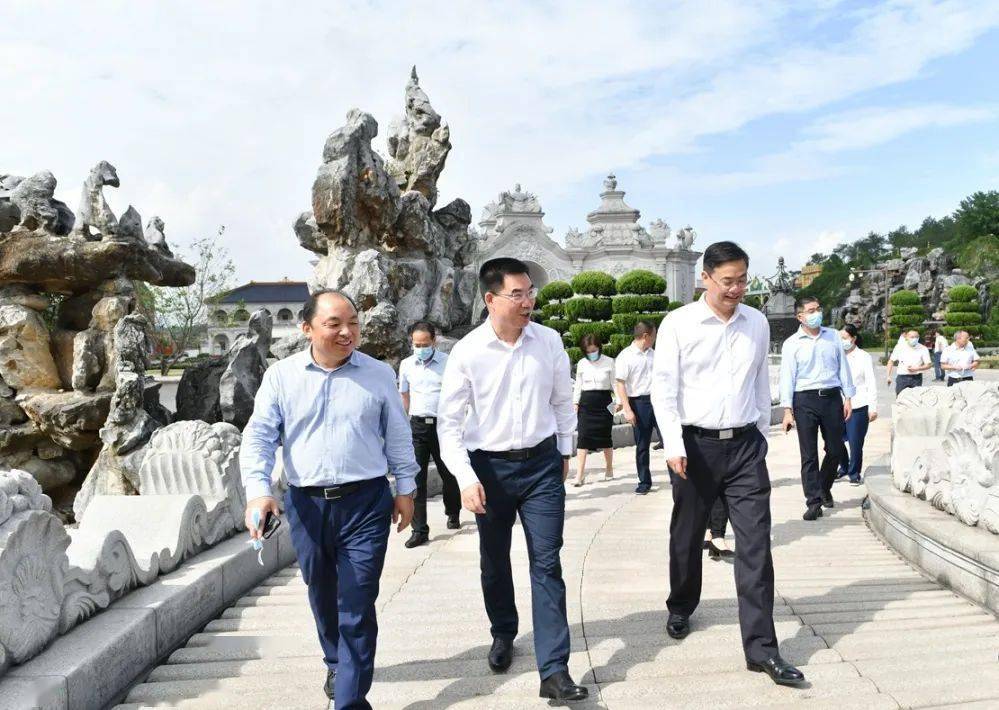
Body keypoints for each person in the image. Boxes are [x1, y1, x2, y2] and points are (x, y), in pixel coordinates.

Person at [240, 290, 417, 708]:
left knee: (356, 599)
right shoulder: (281, 377)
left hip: (366, 503)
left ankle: (349, 700)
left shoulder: (377, 374)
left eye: (353, 322)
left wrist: (406, 489)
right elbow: (260, 436)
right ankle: (337, 661)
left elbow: (397, 435)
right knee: (321, 591)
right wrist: (259, 492)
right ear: (307, 329)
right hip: (307, 505)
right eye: (334, 323)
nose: (346, 332)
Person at [651, 241, 804, 687]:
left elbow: (761, 379)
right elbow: (664, 389)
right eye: (728, 281)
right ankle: (681, 605)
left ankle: (762, 649)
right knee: (686, 534)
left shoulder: (755, 322)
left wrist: (760, 430)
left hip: (743, 449)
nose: (737, 289)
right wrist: (673, 445)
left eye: (743, 280)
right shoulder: (678, 324)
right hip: (694, 448)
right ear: (706, 278)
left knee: (756, 545)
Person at [437, 257, 588, 703]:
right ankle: (503, 631)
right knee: (495, 559)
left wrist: (563, 451)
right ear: (490, 299)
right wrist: (464, 477)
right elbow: (449, 425)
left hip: (541, 465)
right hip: (490, 469)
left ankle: (555, 670)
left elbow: (564, 401)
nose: (528, 302)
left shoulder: (549, 341)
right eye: (517, 294)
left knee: (547, 562)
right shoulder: (467, 352)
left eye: (530, 293)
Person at [779, 296, 855, 521]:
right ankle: (813, 502)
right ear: (800, 316)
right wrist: (787, 410)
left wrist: (848, 397)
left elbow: (843, 367)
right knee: (808, 454)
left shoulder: (832, 336)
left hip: (831, 398)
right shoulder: (791, 343)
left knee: (835, 449)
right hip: (805, 400)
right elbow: (787, 377)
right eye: (811, 310)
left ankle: (824, 486)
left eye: (818, 309)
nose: (816, 313)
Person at [398, 320, 461, 548]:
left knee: (449, 473)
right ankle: (419, 529)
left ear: (434, 341)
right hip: (417, 427)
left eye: (425, 343)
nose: (421, 348)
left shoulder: (448, 363)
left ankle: (453, 510)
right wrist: (404, 421)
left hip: (443, 425)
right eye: (417, 344)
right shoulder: (406, 365)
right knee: (417, 479)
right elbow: (404, 394)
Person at [614, 321, 659, 494]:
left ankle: (676, 478)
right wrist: (628, 409)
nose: (655, 339)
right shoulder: (626, 356)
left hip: (658, 400)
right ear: (646, 336)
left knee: (668, 439)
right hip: (639, 403)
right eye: (653, 335)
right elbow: (620, 384)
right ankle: (644, 481)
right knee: (642, 444)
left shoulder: (654, 354)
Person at [572, 333, 615, 487]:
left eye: (594, 350)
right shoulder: (582, 364)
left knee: (605, 437)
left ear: (599, 348)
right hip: (586, 403)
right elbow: (578, 384)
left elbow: (615, 385)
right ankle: (579, 475)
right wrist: (575, 402)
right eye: (588, 351)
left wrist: (619, 402)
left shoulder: (609, 362)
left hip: (604, 402)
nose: (592, 353)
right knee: (583, 438)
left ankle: (609, 468)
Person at [837, 324, 877, 485]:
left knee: (855, 442)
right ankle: (843, 466)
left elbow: (871, 382)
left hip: (858, 404)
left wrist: (872, 407)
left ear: (853, 338)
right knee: (834, 440)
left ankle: (854, 473)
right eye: (839, 338)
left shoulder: (863, 357)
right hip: (837, 404)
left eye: (845, 338)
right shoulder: (836, 355)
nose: (842, 341)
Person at [887, 329, 932, 395]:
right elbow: (891, 361)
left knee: (915, 399)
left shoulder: (923, 348)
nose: (914, 339)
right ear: (907, 337)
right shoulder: (900, 347)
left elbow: (928, 364)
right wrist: (888, 376)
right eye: (912, 337)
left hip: (916, 378)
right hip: (902, 377)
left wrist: (917, 368)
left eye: (916, 337)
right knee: (901, 399)